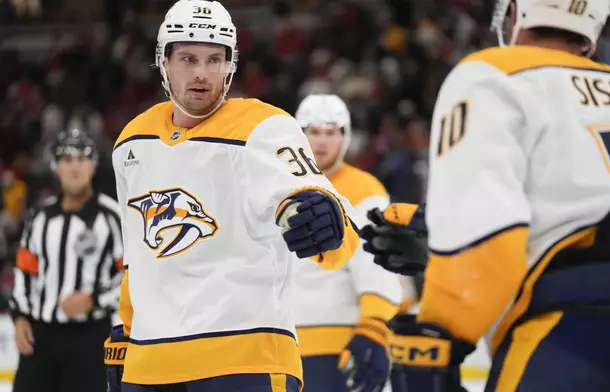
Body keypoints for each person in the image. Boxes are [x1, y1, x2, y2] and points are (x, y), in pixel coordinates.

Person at [360, 0, 610, 391]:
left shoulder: (491, 73)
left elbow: (489, 234)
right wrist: (443, 233)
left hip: (568, 335)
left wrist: (440, 332)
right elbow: (601, 211)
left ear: (515, 12)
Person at [102, 1, 360, 391]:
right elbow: (139, 255)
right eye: (188, 59)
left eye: (215, 60)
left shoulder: (265, 126)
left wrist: (325, 222)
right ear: (164, 62)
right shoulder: (131, 141)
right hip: (149, 364)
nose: (202, 74)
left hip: (244, 358)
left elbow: (326, 210)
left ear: (231, 64)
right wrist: (126, 331)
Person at [293, 94, 402, 392]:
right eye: (313, 132)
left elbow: (379, 268)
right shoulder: (276, 185)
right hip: (279, 349)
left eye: (332, 133)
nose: (322, 142)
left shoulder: (364, 189)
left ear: (346, 137)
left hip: (340, 347)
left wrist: (373, 327)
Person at [10, 128, 124, 392]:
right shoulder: (40, 217)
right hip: (41, 337)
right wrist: (19, 318)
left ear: (93, 166)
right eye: (67, 160)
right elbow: (25, 271)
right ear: (56, 168)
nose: (75, 167)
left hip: (90, 337)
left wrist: (93, 300)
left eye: (81, 159)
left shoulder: (112, 217)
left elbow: (130, 276)